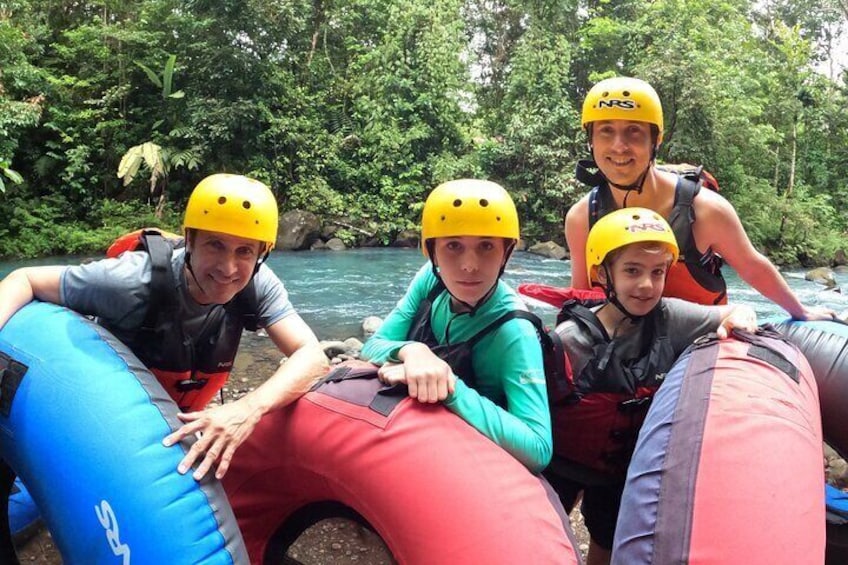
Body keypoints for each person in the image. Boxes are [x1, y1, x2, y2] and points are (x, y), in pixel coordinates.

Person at [0, 173, 329, 480]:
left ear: (261, 254)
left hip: (172, 415)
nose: (229, 268)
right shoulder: (132, 281)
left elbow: (313, 357)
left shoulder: (257, 285)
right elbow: (24, 279)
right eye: (215, 244)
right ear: (190, 240)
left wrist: (246, 410)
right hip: (102, 413)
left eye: (244, 251)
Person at [546, 207, 758, 565]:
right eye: (632, 270)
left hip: (620, 470)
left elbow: (735, 312)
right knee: (549, 532)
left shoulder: (669, 317)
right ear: (603, 274)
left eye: (657, 272)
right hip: (561, 463)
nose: (647, 285)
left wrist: (741, 316)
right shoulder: (569, 340)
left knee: (607, 537)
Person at [564, 75, 836, 320]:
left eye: (633, 131)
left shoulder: (705, 209)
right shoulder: (581, 218)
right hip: (623, 347)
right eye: (606, 131)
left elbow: (752, 266)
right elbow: (581, 296)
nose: (618, 146)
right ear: (591, 141)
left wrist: (800, 311)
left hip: (697, 344)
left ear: (655, 140)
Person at [361, 179, 552, 473]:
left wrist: (450, 388)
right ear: (432, 252)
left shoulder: (515, 331)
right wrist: (413, 351)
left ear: (507, 253)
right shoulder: (431, 280)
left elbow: (539, 448)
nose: (469, 265)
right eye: (453, 246)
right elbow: (372, 347)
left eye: (486, 246)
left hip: (474, 464)